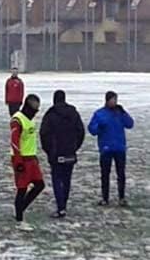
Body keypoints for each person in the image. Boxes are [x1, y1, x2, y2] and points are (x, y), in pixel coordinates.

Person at [40, 90, 85, 218]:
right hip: (70, 152)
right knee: (67, 179)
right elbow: (81, 131)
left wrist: (49, 151)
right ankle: (63, 204)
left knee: (57, 179)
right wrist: (75, 147)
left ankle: (61, 207)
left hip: (56, 153)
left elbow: (44, 134)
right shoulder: (74, 113)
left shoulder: (50, 114)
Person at [88, 91, 134, 207]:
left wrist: (124, 113)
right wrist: (99, 128)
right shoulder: (99, 114)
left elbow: (130, 124)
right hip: (106, 148)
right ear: (107, 100)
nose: (114, 102)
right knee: (105, 174)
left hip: (119, 148)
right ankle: (105, 198)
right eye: (112, 100)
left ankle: (122, 197)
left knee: (121, 174)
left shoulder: (120, 113)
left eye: (115, 100)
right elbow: (92, 129)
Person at [10, 94, 45, 231]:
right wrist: (18, 161)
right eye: (35, 107)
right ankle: (19, 219)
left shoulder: (31, 120)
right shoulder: (17, 120)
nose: (36, 110)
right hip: (22, 159)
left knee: (39, 185)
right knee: (22, 189)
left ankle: (21, 208)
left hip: (31, 158)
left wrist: (35, 156)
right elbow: (14, 141)